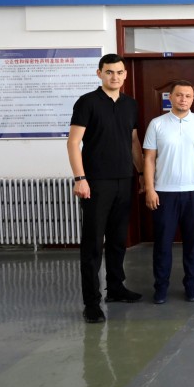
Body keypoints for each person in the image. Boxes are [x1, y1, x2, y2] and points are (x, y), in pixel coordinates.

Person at [67, 53, 144, 324]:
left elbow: (133, 141)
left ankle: (116, 287)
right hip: (96, 182)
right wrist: (80, 178)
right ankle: (91, 303)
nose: (115, 77)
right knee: (92, 244)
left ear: (125, 75)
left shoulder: (130, 104)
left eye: (119, 72)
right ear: (99, 73)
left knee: (117, 239)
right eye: (109, 72)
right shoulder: (87, 102)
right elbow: (73, 142)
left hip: (125, 179)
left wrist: (141, 173)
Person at [143, 80, 194, 304]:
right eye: (179, 95)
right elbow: (149, 159)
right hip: (164, 193)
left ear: (193, 99)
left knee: (192, 243)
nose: (183, 99)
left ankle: (191, 286)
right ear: (171, 97)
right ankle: (161, 287)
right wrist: (150, 189)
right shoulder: (157, 124)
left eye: (188, 96)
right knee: (162, 243)